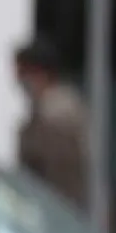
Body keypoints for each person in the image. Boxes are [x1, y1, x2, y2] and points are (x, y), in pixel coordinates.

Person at [15, 37, 91, 214]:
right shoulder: (50, 110)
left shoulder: (56, 117)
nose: (18, 79)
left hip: (61, 218)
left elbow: (58, 182)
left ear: (40, 73)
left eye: (23, 72)